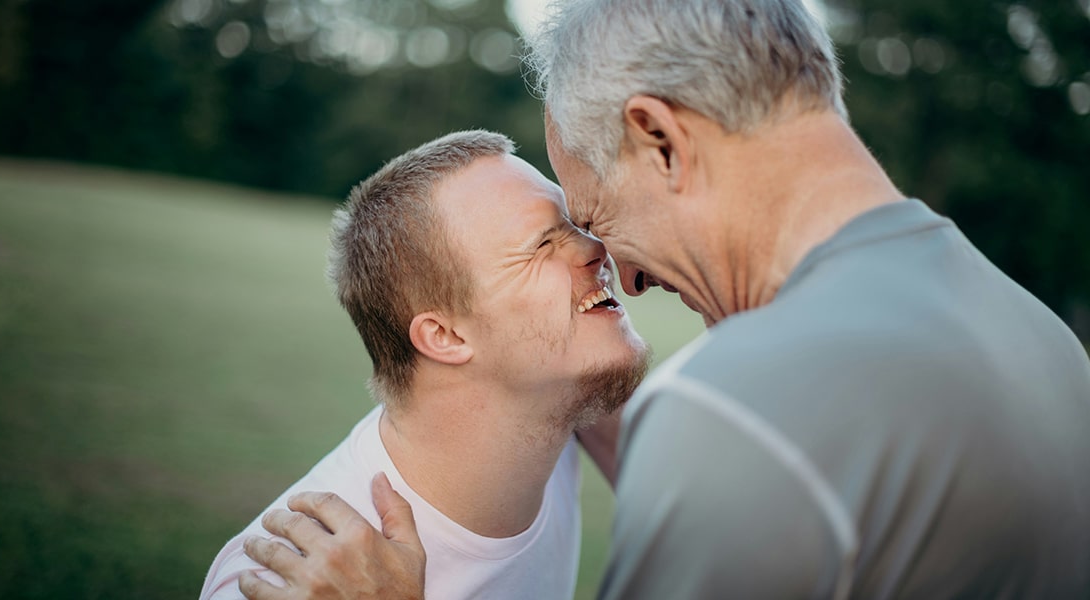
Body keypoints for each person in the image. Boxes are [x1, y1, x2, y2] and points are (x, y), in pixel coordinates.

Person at [239, 1, 1090, 598]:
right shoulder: (1040, 337)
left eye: (596, 213)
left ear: (661, 141)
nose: (625, 275)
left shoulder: (741, 413)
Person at [199, 129, 649, 599]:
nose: (595, 247)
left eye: (576, 224)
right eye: (542, 245)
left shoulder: (560, 400)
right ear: (446, 336)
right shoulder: (295, 578)